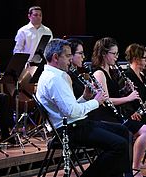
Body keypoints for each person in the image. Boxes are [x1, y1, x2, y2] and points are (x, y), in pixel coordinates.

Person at [36, 38, 132, 177]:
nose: (70, 60)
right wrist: (96, 102)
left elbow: (70, 108)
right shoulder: (54, 79)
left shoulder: (53, 75)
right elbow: (71, 112)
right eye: (68, 56)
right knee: (119, 145)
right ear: (56, 57)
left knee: (122, 130)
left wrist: (85, 97)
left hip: (75, 124)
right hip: (69, 130)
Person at [90, 37, 146, 177]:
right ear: (103, 54)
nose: (116, 57)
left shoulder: (110, 72)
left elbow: (115, 94)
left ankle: (133, 169)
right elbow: (105, 101)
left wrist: (127, 90)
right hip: (105, 117)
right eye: (113, 54)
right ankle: (132, 170)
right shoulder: (99, 73)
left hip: (116, 114)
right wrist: (128, 98)